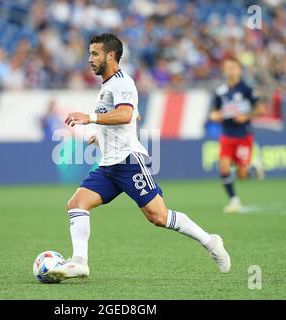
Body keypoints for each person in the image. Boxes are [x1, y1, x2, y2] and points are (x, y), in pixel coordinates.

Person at [48, 33, 231, 281]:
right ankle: (79, 263)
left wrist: (90, 119)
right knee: (76, 204)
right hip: (108, 165)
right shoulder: (108, 86)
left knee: (158, 216)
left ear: (110, 55)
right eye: (90, 53)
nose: (89, 59)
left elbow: (125, 115)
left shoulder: (122, 83)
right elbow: (134, 116)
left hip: (129, 162)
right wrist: (100, 134)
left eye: (94, 53)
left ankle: (210, 242)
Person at [209, 57, 265, 213]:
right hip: (227, 135)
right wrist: (215, 115)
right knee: (224, 168)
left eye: (233, 67)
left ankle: (253, 166)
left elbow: (260, 109)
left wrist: (246, 116)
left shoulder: (247, 89)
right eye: (227, 67)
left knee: (242, 175)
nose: (230, 70)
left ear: (239, 69)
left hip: (243, 135)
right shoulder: (221, 91)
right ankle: (234, 200)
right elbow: (214, 111)